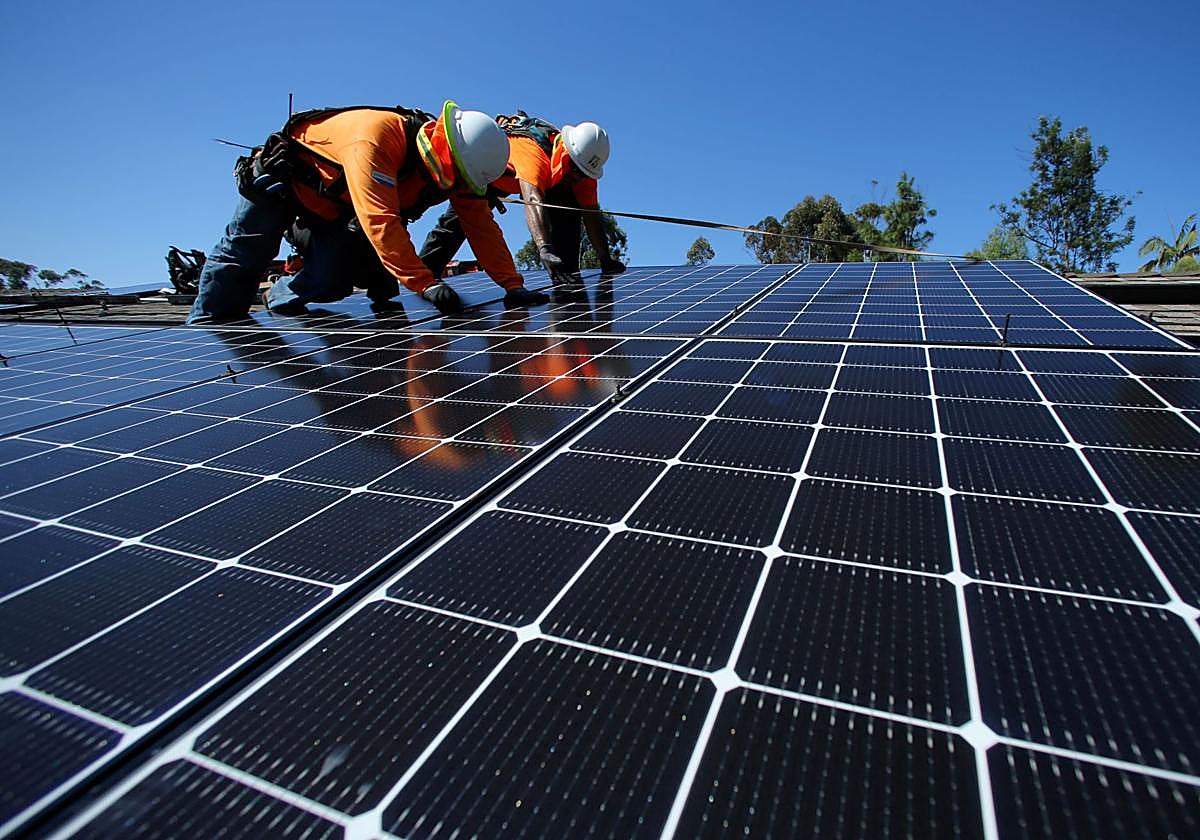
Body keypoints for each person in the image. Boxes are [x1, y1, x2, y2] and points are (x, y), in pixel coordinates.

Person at [188, 101, 546, 324]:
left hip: (335, 211)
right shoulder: (376, 138)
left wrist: (513, 286)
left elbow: (481, 227)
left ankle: (277, 298)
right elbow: (380, 220)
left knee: (334, 278)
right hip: (283, 184)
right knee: (245, 255)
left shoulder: (461, 173)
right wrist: (426, 285)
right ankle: (204, 335)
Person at [418, 112, 625, 286]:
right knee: (457, 223)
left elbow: (591, 214)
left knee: (569, 209)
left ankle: (566, 275)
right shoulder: (533, 153)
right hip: (488, 173)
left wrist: (605, 258)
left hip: (532, 182)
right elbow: (533, 200)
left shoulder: (583, 170)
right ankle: (425, 275)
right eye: (575, 169)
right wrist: (544, 248)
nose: (577, 176)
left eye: (583, 173)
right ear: (566, 152)